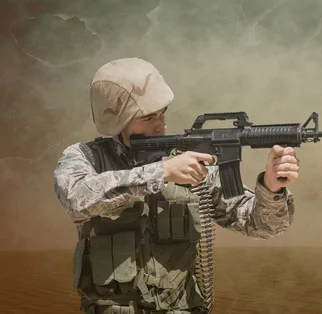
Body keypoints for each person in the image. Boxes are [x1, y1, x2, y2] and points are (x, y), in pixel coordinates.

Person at [53, 57, 300, 314]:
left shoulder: (189, 162)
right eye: (148, 118)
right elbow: (76, 199)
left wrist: (272, 189)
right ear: (117, 121)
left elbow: (261, 226)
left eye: (162, 114)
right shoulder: (86, 158)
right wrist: (162, 172)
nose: (161, 125)